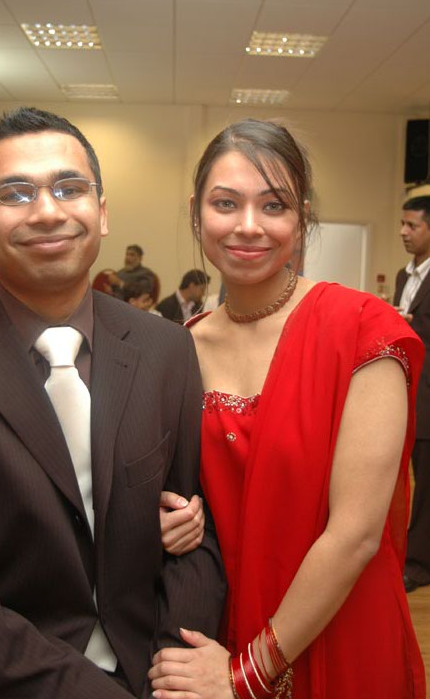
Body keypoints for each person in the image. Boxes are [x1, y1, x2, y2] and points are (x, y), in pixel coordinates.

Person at [0, 107, 225, 699]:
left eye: (69, 188)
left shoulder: (166, 349)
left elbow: (195, 531)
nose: (47, 210)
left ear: (102, 213)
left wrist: (175, 662)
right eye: (14, 193)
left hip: (151, 672)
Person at [149, 119, 426, 699]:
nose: (249, 225)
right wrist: (167, 521)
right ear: (197, 215)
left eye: (273, 205)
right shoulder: (181, 346)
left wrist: (247, 674)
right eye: (226, 203)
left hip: (339, 625)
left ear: (301, 218)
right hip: (223, 620)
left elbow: (356, 533)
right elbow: (176, 486)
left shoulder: (362, 329)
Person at [394, 195, 430, 593]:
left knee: (426, 489)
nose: (404, 232)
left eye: (413, 226)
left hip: (428, 396)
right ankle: (403, 554)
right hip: (405, 393)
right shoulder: (403, 277)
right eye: (402, 225)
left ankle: (419, 566)